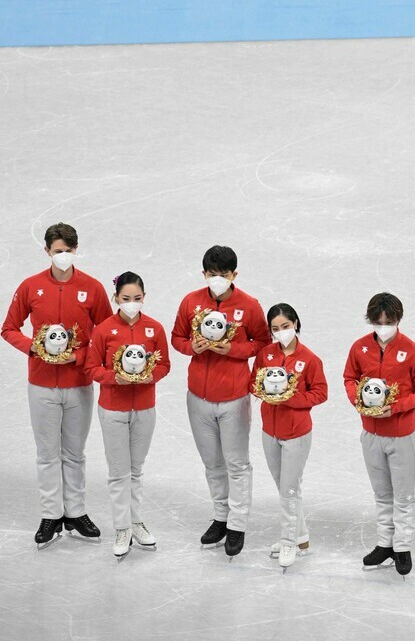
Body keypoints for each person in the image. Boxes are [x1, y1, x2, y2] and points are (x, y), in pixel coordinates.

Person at [1, 223, 112, 547]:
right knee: (48, 454)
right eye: (57, 251)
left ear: (76, 250)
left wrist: (79, 356)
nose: (63, 256)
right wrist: (34, 348)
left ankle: (75, 512)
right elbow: (9, 328)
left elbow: (107, 335)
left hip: (79, 384)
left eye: (68, 250)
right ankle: (51, 514)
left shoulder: (92, 288)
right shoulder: (31, 286)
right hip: (41, 384)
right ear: (47, 251)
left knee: (74, 453)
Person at [171, 245, 271, 558]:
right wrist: (193, 347)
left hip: (234, 398)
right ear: (204, 274)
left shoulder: (249, 305)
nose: (217, 279)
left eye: (223, 274)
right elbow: (177, 338)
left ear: (234, 275)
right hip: (198, 398)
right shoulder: (191, 301)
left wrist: (234, 350)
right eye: (212, 274)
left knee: (236, 463)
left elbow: (263, 343)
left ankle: (237, 524)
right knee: (213, 463)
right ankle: (221, 517)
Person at [343, 292, 415, 577]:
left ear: (398, 320)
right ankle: (385, 544)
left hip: (401, 435)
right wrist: (357, 400)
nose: (383, 327)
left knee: (403, 495)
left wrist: (396, 408)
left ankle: (402, 547)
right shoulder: (359, 348)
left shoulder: (414, 351)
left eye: (389, 322)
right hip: (371, 433)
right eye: (378, 322)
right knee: (382, 493)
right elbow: (349, 378)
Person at [85, 272, 171, 559]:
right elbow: (91, 367)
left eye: (137, 298)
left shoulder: (154, 329)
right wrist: (113, 378)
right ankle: (122, 527)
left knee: (136, 469)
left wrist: (150, 376)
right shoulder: (104, 330)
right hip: (113, 408)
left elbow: (164, 365)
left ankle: (136, 522)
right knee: (118, 471)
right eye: (126, 298)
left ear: (144, 297)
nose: (131, 302)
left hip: (144, 408)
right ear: (116, 298)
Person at [253, 303, 327, 569]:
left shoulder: (310, 359)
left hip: (296, 433)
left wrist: (290, 399)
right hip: (270, 431)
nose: (281, 332)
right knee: (284, 487)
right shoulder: (265, 354)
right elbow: (253, 382)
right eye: (275, 328)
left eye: (285, 326)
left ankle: (288, 541)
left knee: (289, 489)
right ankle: (301, 537)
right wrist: (265, 393)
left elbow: (320, 393)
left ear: (295, 324)